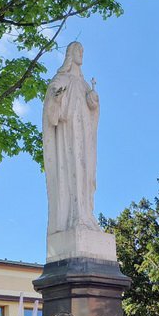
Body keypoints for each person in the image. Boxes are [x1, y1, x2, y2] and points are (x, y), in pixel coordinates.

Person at [42, 41, 101, 233]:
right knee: (73, 170)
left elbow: (93, 110)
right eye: (78, 50)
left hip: (84, 134)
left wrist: (94, 102)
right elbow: (52, 107)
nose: (81, 53)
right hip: (68, 135)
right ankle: (75, 216)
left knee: (86, 173)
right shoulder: (61, 79)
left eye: (83, 50)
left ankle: (87, 215)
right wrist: (56, 98)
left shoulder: (84, 85)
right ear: (70, 54)